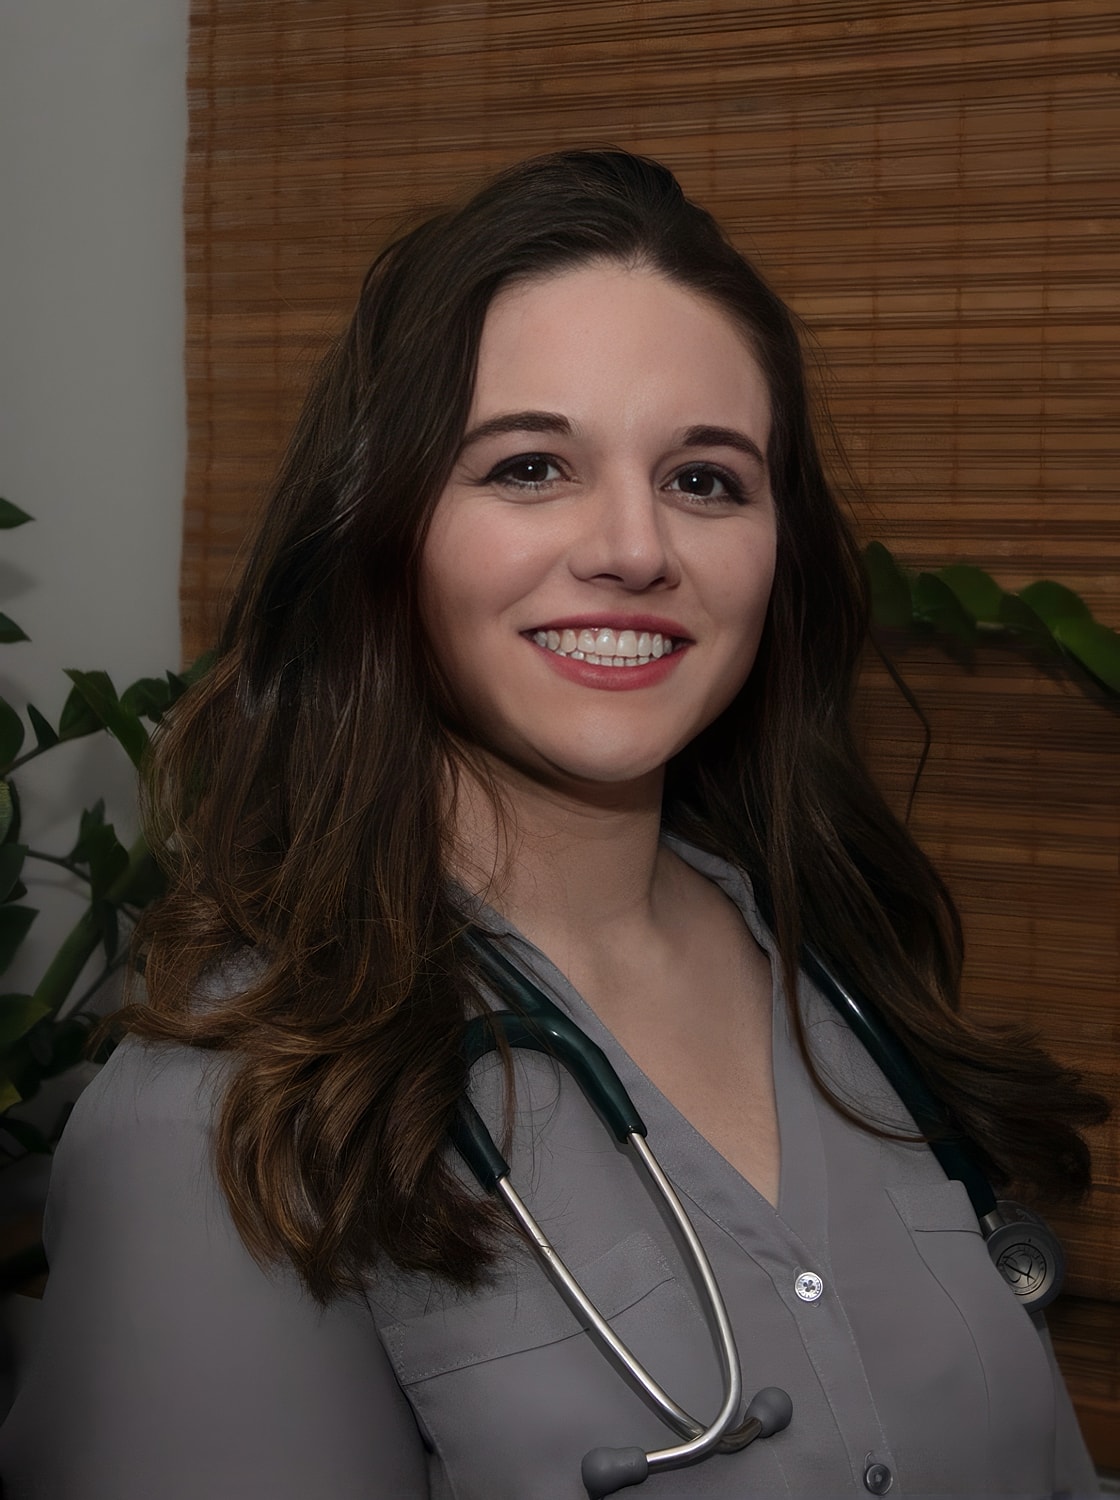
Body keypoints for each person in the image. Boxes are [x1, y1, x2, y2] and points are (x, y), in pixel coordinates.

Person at [0, 148, 1107, 1499]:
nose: (636, 547)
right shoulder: (220, 1126)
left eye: (706, 480)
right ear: (379, 535)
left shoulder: (851, 984)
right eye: (530, 466)